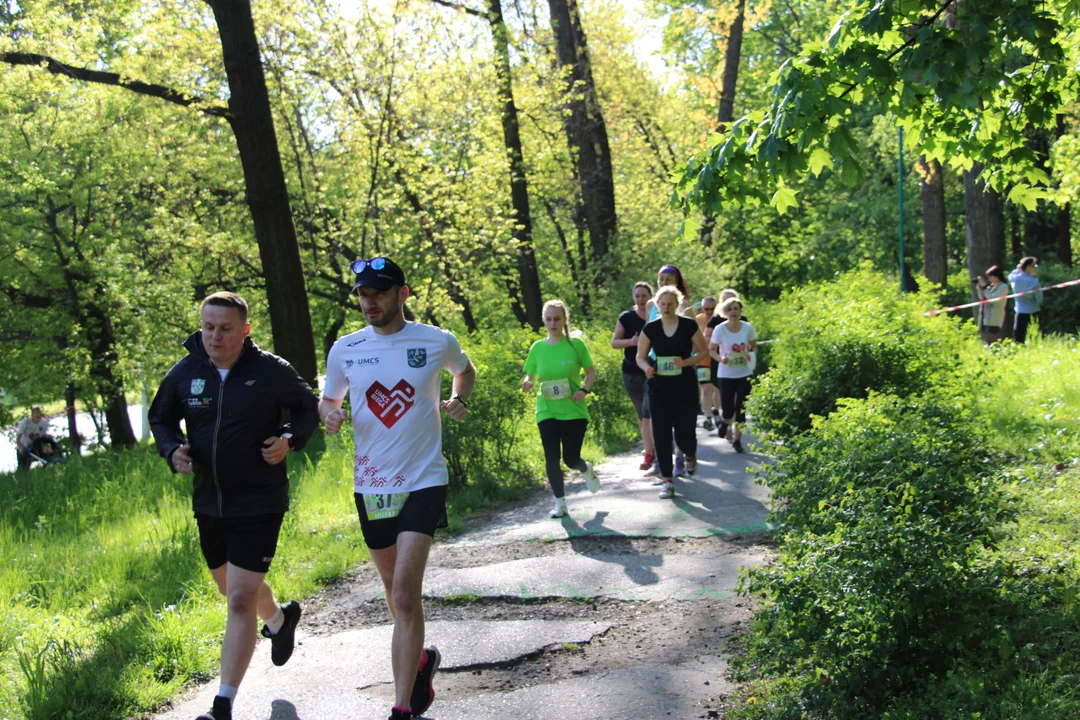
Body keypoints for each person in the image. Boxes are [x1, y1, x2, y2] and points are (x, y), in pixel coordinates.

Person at [148, 292, 319, 720]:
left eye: (225, 329)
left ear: (245, 330)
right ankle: (280, 619)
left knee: (240, 599)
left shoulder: (270, 371)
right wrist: (172, 450)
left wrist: (288, 440)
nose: (214, 337)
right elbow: (160, 418)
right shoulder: (187, 371)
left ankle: (222, 705)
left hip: (260, 500)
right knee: (231, 588)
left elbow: (307, 408)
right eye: (208, 327)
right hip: (209, 502)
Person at [320, 256, 476, 720]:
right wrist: (327, 414)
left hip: (425, 478)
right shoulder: (345, 348)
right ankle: (421, 660)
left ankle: (401, 709)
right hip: (372, 484)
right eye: (363, 295)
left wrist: (459, 398)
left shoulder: (435, 340)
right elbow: (329, 398)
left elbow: (464, 369)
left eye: (379, 293)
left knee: (406, 595)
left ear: (402, 294)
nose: (369, 302)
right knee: (394, 594)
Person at [524, 299, 600, 519]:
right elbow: (531, 372)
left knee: (570, 459)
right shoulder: (537, 347)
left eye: (557, 319)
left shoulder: (576, 345)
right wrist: (528, 381)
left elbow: (591, 372)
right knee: (551, 457)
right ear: (543, 321)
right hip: (546, 409)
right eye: (548, 319)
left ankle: (586, 469)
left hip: (573, 409)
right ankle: (560, 503)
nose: (552, 323)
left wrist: (584, 390)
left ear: (565, 319)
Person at [638, 286, 709, 499]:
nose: (667, 307)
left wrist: (686, 361)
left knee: (685, 432)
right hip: (659, 387)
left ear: (677, 304)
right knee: (660, 432)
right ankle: (667, 481)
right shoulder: (651, 328)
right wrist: (646, 368)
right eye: (663, 304)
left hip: (684, 385)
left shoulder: (688, 325)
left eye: (670, 304)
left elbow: (703, 351)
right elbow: (640, 356)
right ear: (657, 306)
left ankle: (689, 454)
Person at [645, 265, 694, 478]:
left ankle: (681, 457)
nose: (665, 281)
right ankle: (660, 461)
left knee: (680, 421)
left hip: (680, 368)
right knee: (658, 419)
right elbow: (649, 331)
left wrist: (683, 361)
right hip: (656, 368)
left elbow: (692, 338)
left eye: (670, 278)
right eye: (661, 278)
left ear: (677, 281)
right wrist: (646, 364)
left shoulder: (684, 305)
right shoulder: (650, 305)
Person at [612, 282, 655, 471]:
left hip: (653, 370)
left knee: (649, 412)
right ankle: (650, 449)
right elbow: (614, 342)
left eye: (644, 295)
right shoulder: (627, 317)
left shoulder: (657, 315)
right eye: (637, 296)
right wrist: (631, 342)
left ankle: (651, 453)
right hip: (631, 371)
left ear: (651, 296)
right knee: (641, 413)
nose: (641, 300)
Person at [710, 296, 758, 454]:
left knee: (742, 408)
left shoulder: (747, 327)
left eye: (736, 308)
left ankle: (738, 441)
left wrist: (750, 354)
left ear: (740, 311)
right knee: (729, 408)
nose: (733, 312)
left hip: (744, 373)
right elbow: (711, 349)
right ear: (725, 312)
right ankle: (724, 421)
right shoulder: (720, 329)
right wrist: (720, 358)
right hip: (726, 374)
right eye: (729, 309)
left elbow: (753, 346)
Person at [695, 297, 720, 431]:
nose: (709, 312)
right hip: (703, 360)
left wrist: (706, 339)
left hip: (719, 360)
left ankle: (716, 410)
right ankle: (708, 417)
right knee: (705, 389)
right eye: (706, 309)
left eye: (712, 309)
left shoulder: (721, 319)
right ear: (702, 308)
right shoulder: (698, 319)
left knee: (717, 391)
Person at [1009, 256, 1043, 344]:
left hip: (1020, 310)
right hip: (1033, 310)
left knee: (1019, 336)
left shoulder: (1015, 279)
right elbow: (1039, 299)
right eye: (1034, 265)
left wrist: (1019, 268)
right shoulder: (1034, 282)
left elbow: (1011, 275)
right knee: (1034, 334)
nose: (1036, 268)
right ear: (1028, 267)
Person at [976, 266, 1010, 345]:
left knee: (993, 337)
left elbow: (992, 299)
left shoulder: (1003, 287)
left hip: (995, 316)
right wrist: (980, 287)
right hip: (987, 316)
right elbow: (983, 298)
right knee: (987, 338)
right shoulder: (991, 286)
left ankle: (996, 353)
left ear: (997, 276)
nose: (989, 279)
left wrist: (984, 287)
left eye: (991, 277)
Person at [16, 406, 50, 470]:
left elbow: (43, 437)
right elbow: (18, 439)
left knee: (46, 458)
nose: (38, 414)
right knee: (23, 468)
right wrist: (21, 447)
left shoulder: (44, 423)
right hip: (24, 447)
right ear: (32, 414)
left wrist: (46, 446)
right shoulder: (25, 422)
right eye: (36, 412)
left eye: (39, 412)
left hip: (36, 446)